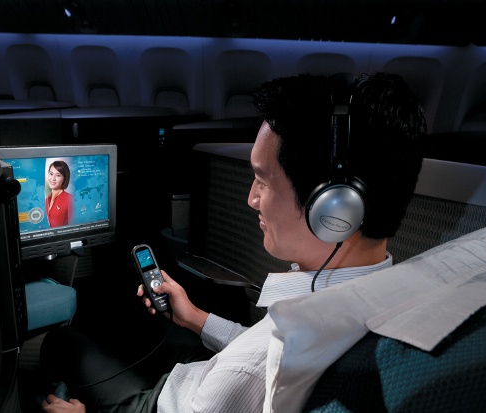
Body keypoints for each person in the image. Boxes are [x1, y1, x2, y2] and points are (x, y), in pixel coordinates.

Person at [39, 71, 426, 413]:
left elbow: (254, 362)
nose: (251, 199)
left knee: (62, 340)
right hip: (208, 372)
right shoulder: (388, 294)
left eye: (262, 179)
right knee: (140, 324)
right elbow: (261, 345)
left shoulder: (259, 364)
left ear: (334, 206)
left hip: (168, 401)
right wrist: (195, 318)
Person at [45, 160, 73, 227]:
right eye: (51, 174)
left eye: (58, 175)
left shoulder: (69, 199)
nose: (53, 179)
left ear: (64, 178)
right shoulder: (46, 200)